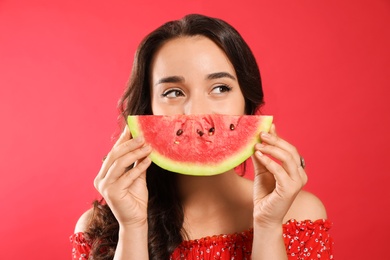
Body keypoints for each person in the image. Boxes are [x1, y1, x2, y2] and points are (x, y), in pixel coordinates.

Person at [70, 14, 334, 259]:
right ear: (147, 110)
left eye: (220, 88)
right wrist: (131, 227)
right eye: (173, 92)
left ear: (247, 104)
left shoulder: (299, 215)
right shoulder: (99, 230)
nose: (196, 112)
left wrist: (267, 225)